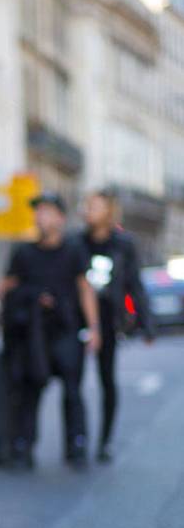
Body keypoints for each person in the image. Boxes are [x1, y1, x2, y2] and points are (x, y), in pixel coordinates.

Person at [1, 193, 100, 469]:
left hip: (66, 331)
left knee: (72, 391)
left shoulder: (74, 250)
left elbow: (84, 289)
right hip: (34, 335)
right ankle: (22, 447)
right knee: (30, 390)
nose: (40, 217)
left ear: (60, 217)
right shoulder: (23, 253)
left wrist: (93, 328)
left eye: (46, 211)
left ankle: (76, 445)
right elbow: (7, 287)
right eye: (38, 212)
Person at [76, 190, 156, 462]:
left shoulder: (123, 243)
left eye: (95, 206)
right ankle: (76, 440)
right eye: (87, 206)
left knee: (106, 380)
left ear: (109, 212)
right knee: (72, 381)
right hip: (77, 318)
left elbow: (134, 282)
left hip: (109, 320)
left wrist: (146, 323)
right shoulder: (78, 242)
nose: (89, 211)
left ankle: (105, 440)